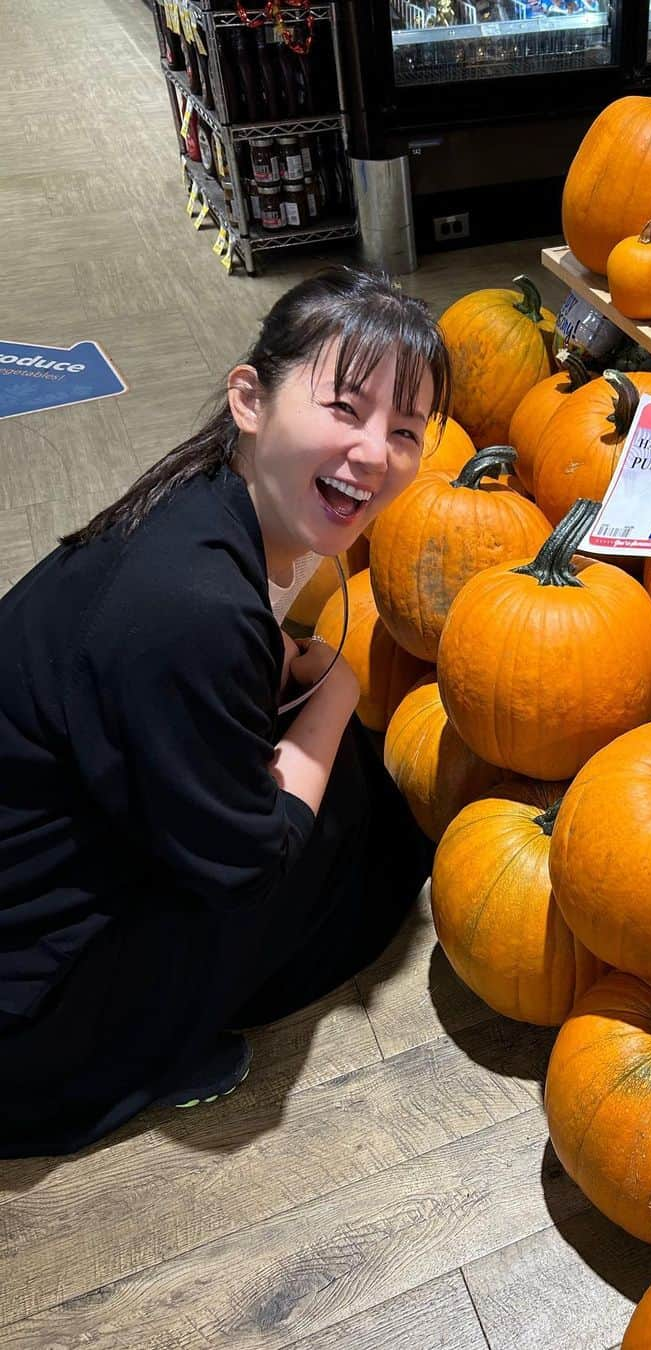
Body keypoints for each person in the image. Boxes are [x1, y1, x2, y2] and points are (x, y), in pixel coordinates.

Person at [0, 266, 451, 1158]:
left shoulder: (197, 499)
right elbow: (251, 861)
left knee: (342, 785)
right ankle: (135, 1056)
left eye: (405, 431)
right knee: (348, 839)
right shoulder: (193, 608)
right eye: (345, 409)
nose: (375, 454)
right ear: (250, 397)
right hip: (25, 1012)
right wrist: (341, 690)